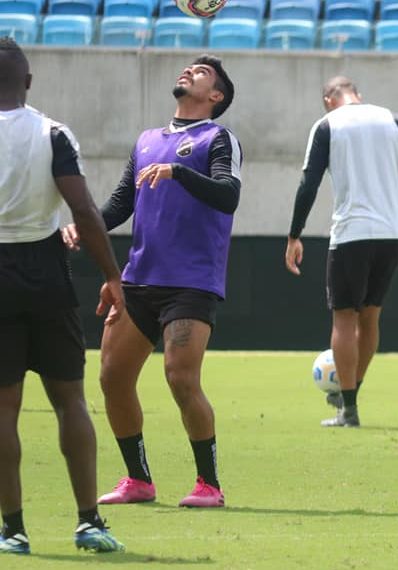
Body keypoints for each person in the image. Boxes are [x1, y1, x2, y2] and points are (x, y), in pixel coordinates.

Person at [63, 55, 240, 508]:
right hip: (139, 278)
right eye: (188, 68)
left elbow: (228, 195)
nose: (189, 72)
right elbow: (122, 202)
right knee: (112, 377)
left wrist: (179, 172)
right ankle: (138, 480)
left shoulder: (218, 138)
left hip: (191, 281)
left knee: (181, 378)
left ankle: (209, 484)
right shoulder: (146, 139)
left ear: (215, 96)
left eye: (202, 73)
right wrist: (84, 226)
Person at [0, 37, 124, 554]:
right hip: (48, 273)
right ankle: (88, 521)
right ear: (28, 81)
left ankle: (13, 530)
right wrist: (113, 276)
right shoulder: (52, 133)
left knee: (3, 412)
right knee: (70, 400)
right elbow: (86, 212)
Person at [285, 76, 398, 428]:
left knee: (344, 318)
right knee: (371, 316)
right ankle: (351, 393)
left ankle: (348, 408)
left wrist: (295, 235)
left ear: (328, 100)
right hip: (392, 233)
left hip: (352, 232)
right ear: (358, 95)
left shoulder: (327, 125)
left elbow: (309, 183)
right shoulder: (394, 120)